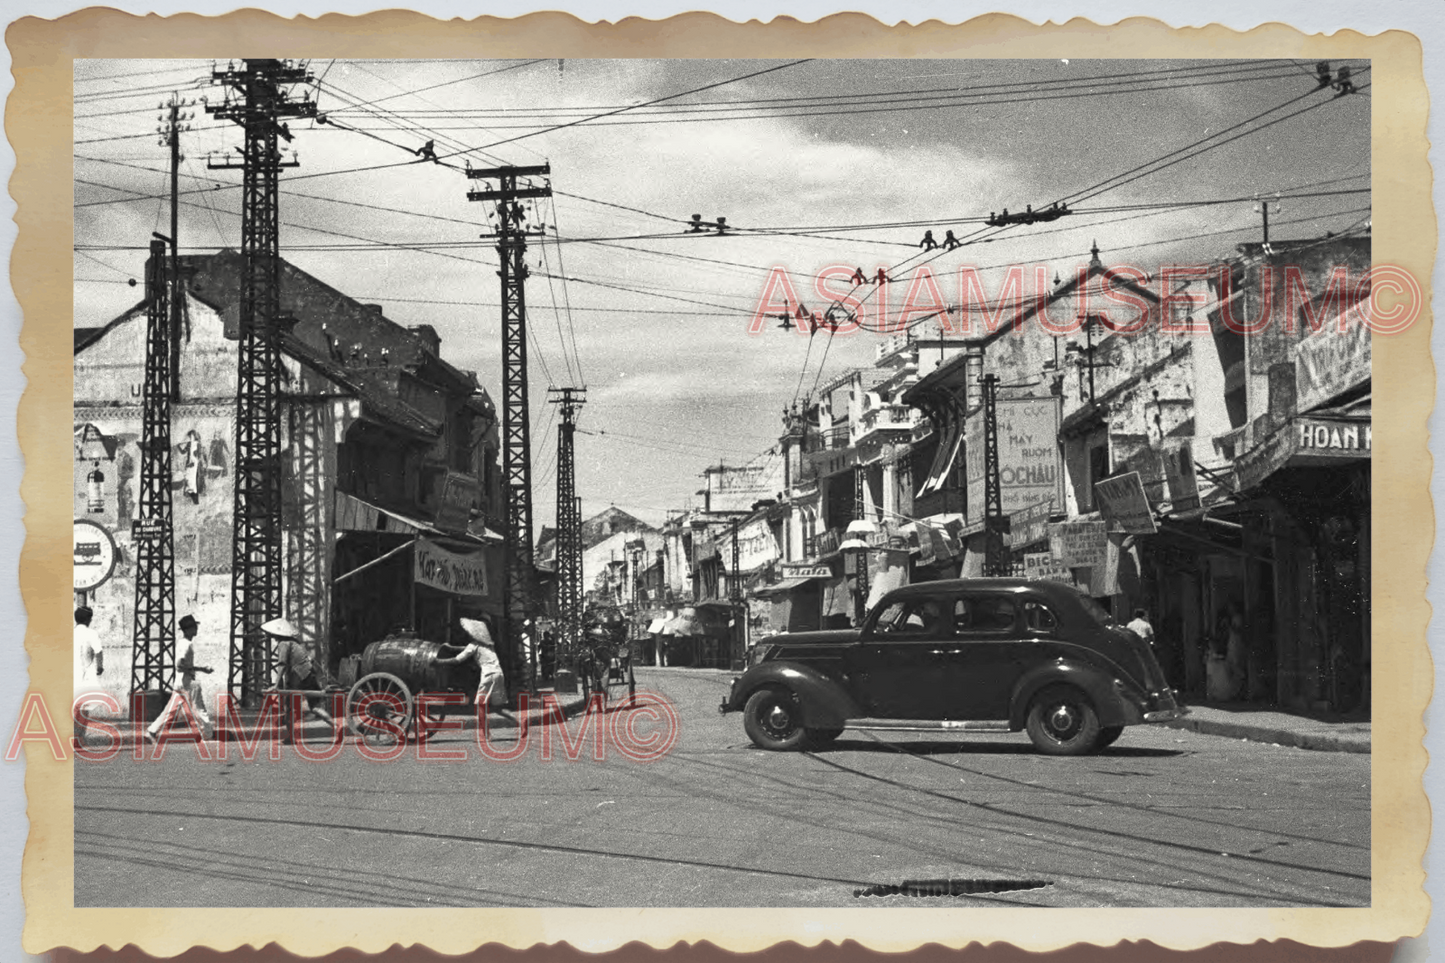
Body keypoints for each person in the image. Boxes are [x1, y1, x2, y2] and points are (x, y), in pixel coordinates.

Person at [145, 613, 214, 744]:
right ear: (188, 630)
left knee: (169, 711)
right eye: (193, 627)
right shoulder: (187, 644)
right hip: (188, 682)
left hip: (180, 683)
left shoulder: (182, 643)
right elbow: (179, 664)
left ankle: (152, 731)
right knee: (199, 709)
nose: (196, 629)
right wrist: (202, 669)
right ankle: (207, 736)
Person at [437, 617, 516, 723]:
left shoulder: (473, 645)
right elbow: (467, 648)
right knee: (499, 708)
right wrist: (451, 647)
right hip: (498, 674)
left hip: (488, 675)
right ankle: (520, 721)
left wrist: (439, 661)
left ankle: (484, 735)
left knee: (480, 705)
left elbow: (457, 660)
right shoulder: (489, 645)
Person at [266, 617, 335, 727]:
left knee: (289, 706)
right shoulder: (295, 643)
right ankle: (336, 726)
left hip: (299, 675)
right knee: (314, 707)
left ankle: (290, 736)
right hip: (310, 674)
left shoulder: (283, 644)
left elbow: (282, 665)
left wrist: (275, 685)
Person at [74, 606, 105, 744]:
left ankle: (75, 736)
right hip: (86, 676)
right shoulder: (92, 634)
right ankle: (79, 736)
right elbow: (98, 651)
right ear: (88, 619)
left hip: (72, 675)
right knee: (83, 708)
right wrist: (99, 667)